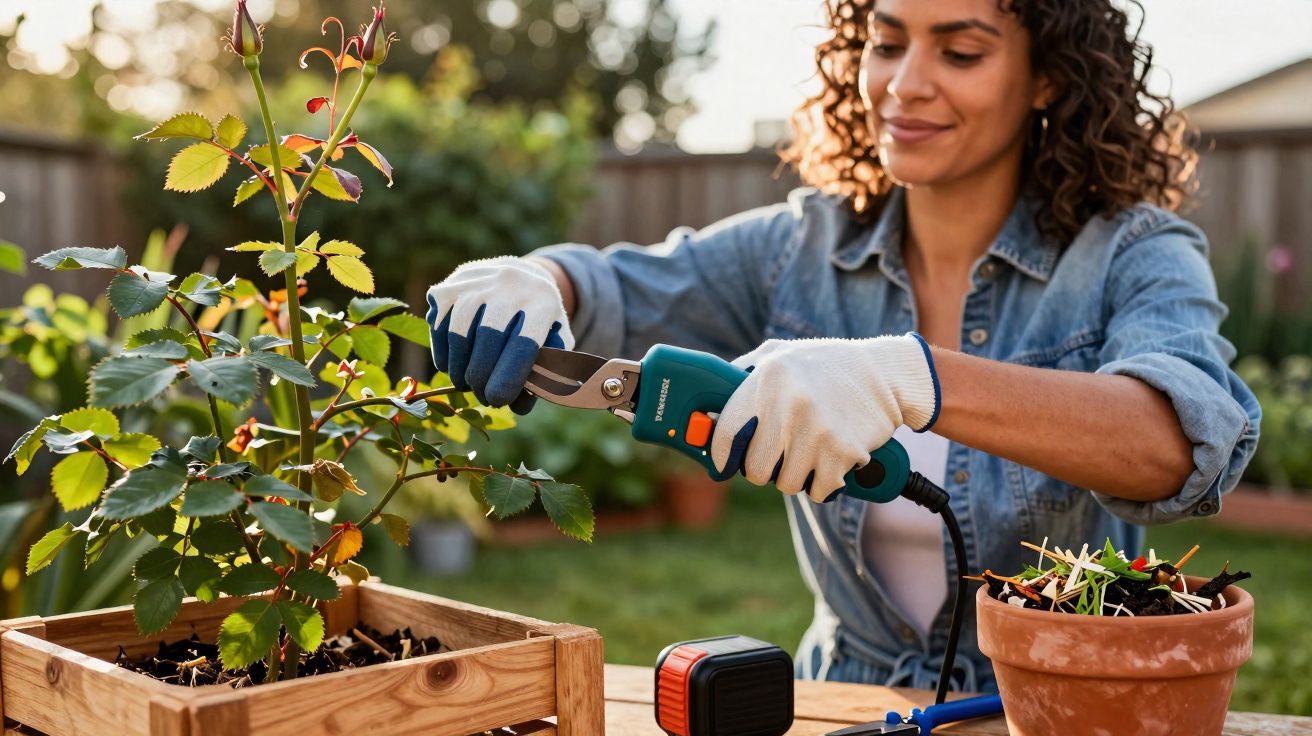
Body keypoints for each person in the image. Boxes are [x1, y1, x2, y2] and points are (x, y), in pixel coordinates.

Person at [424, 0, 1261, 692]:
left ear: (1046, 75)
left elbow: (1179, 442)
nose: (905, 84)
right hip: (844, 702)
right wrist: (530, 280)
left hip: (1061, 704)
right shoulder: (801, 250)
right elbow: (612, 288)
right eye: (886, 43)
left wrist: (906, 377)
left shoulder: (1133, 253)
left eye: (961, 53)